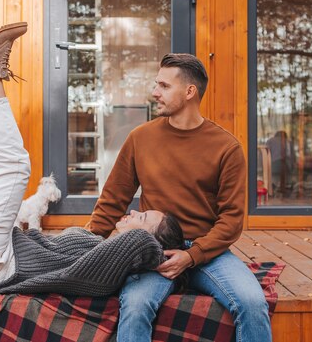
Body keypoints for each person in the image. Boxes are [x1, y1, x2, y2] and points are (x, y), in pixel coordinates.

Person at [0, 12, 185, 296]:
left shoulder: (114, 267)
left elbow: (144, 245)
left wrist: (175, 255)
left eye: (143, 219)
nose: (134, 211)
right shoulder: (104, 249)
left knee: (15, 165)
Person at [87, 53, 271, 342]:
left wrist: (191, 255)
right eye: (156, 84)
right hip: (152, 251)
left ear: (189, 92)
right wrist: (86, 243)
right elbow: (112, 201)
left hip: (206, 252)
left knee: (252, 303)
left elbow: (232, 221)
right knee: (135, 307)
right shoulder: (140, 138)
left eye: (163, 86)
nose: (154, 93)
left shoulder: (227, 148)